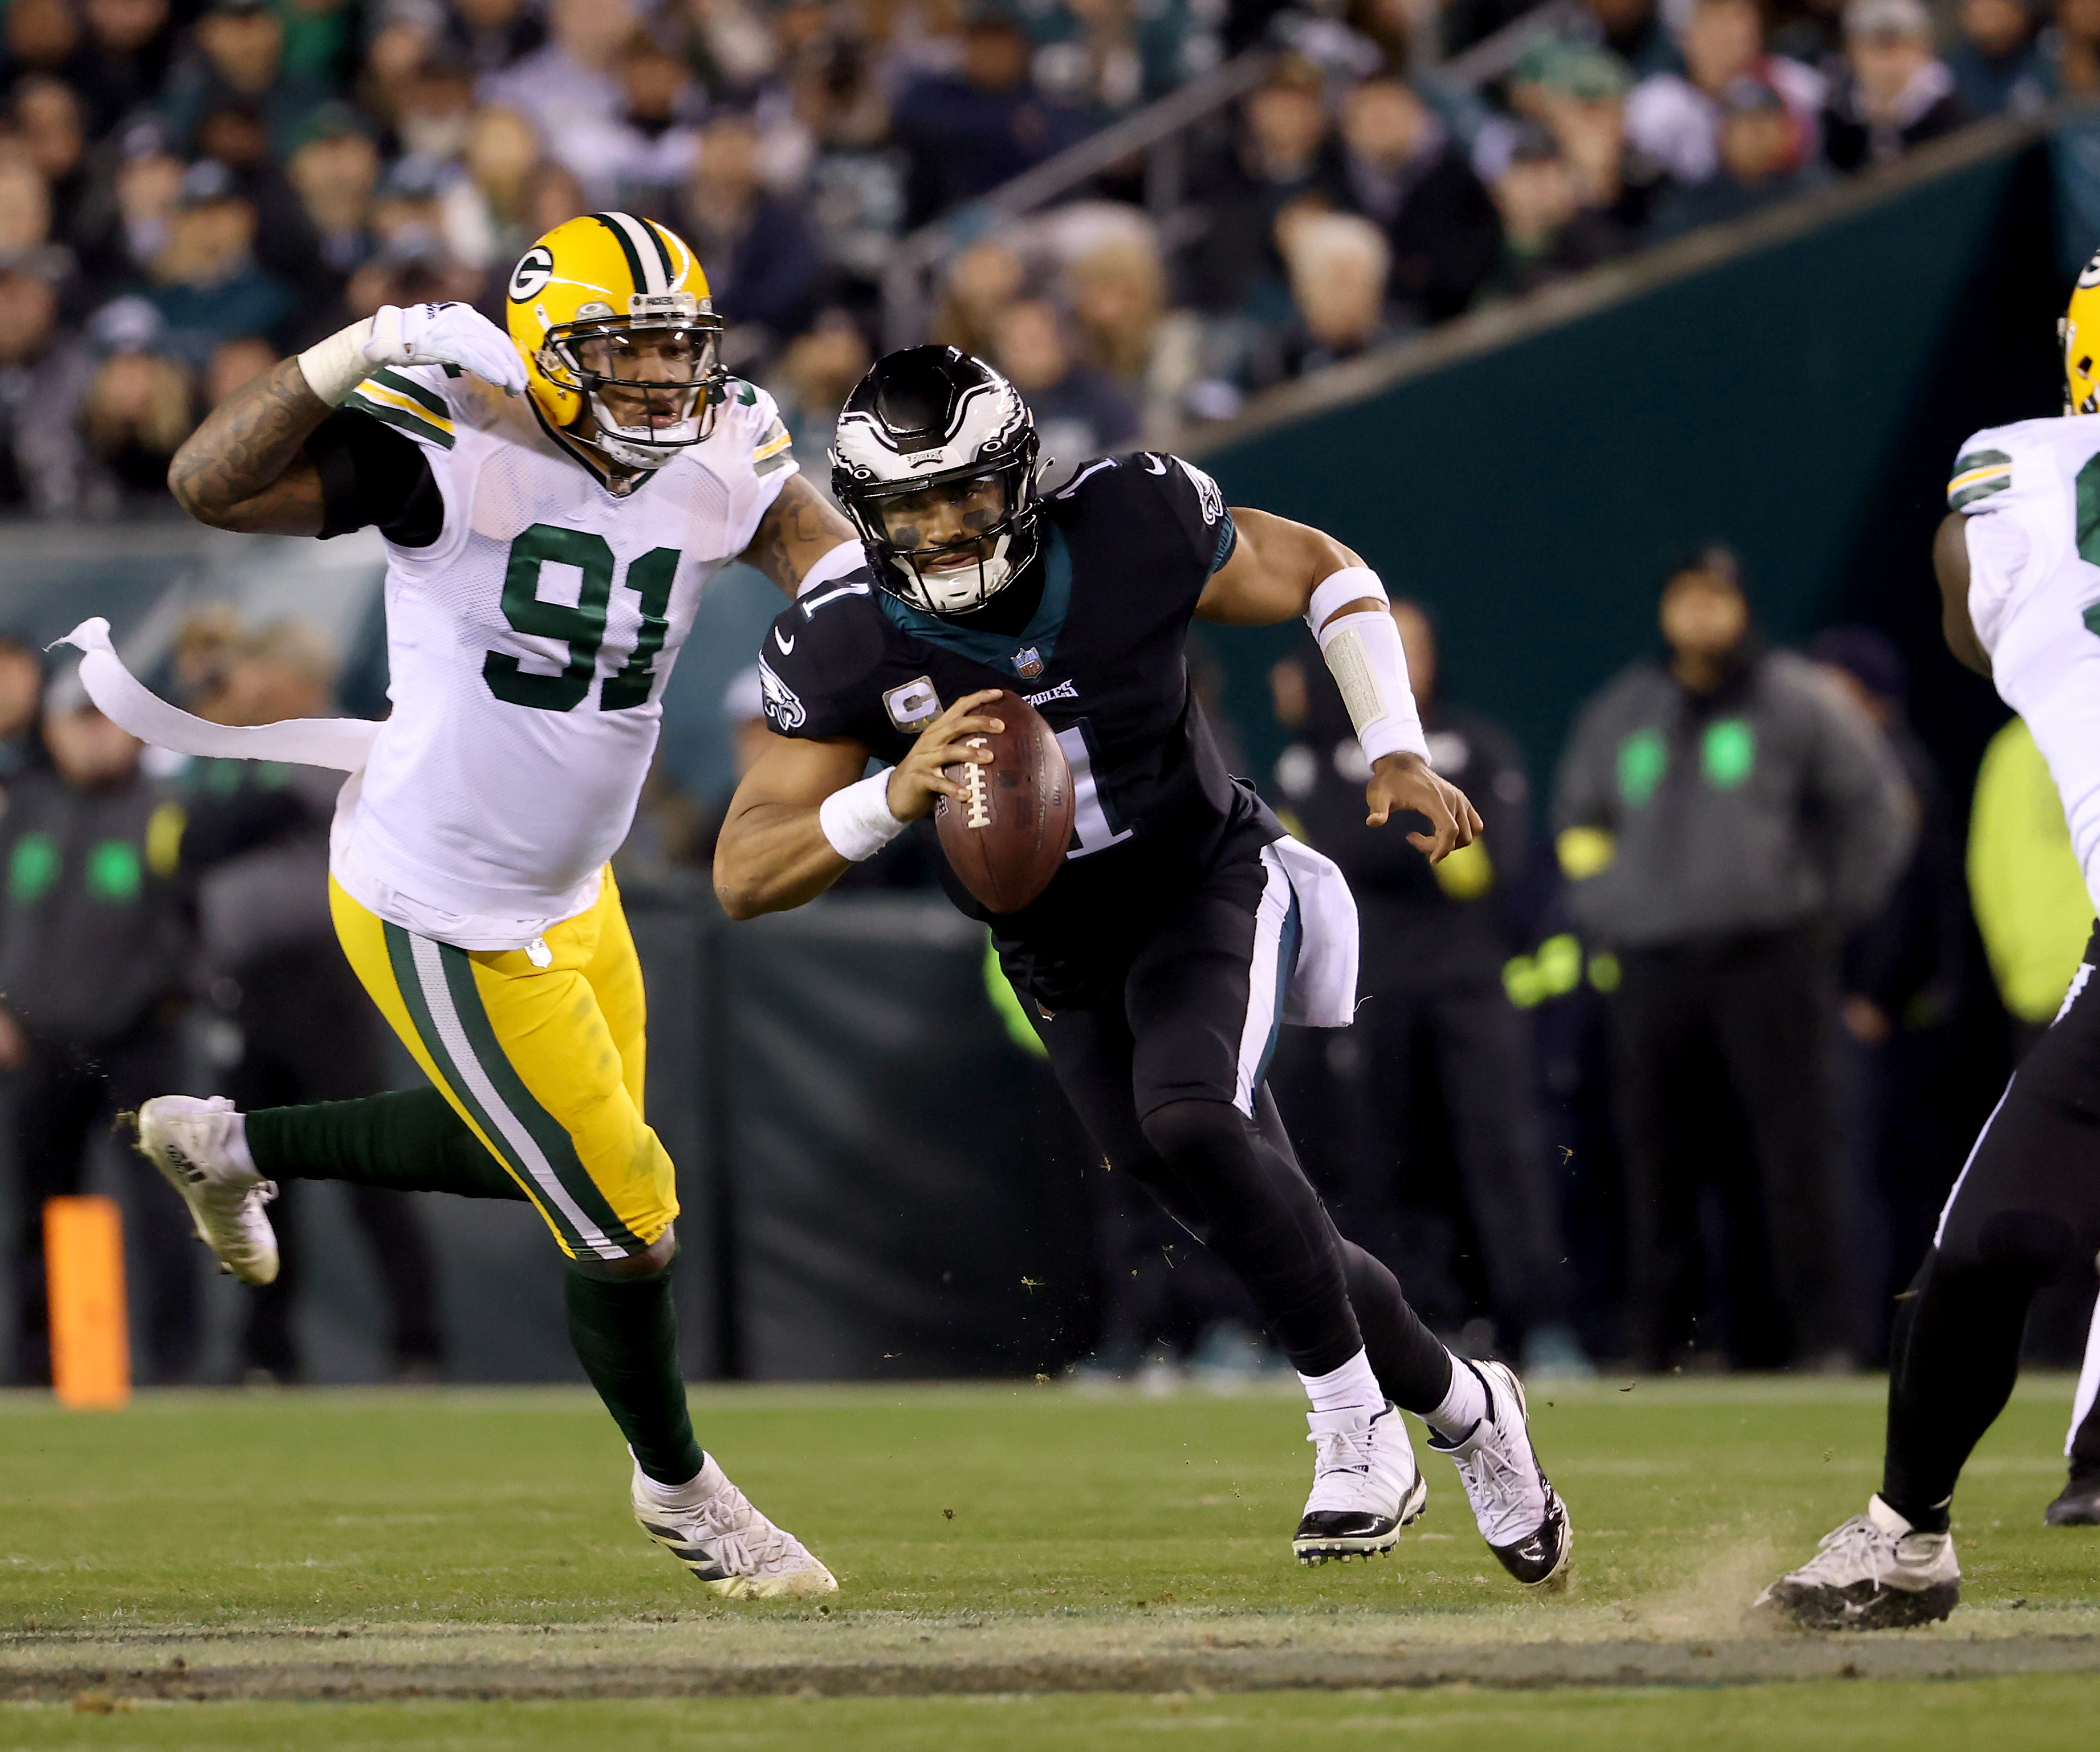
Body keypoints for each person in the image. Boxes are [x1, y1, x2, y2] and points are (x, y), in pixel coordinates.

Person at [713, 344, 1573, 1585]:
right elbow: (747, 869)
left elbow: (1328, 572)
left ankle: (1354, 1430)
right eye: (914, 507)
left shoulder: (1128, 520)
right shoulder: (846, 638)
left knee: (1194, 1115)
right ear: (870, 519)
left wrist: (1391, 744)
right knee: (1258, 1218)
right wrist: (889, 797)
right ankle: (1470, 1409)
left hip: (1208, 882)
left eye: (967, 493)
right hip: (1056, 947)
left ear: (1022, 475)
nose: (948, 530)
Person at [96, 211, 863, 1598]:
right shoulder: (448, 436)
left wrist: (923, 643)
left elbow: (830, 571)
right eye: (624, 357)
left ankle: (232, 1144)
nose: (658, 388)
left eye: (676, 355)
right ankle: (684, 1494)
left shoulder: (722, 443)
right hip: (432, 893)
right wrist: (364, 345)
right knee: (626, 1217)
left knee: (561, 1157)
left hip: (575, 887)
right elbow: (207, 481)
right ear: (548, 355)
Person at [1759, 253, 2100, 1625]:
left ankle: (1907, 1529)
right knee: (1990, 1231)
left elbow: (1967, 623)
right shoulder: (2023, 473)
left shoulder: (2008, 480)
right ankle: (1906, 1538)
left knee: (1991, 1238)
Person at [1553, 550, 1911, 1371]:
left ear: (1743, 607)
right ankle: (1668, 1345)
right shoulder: (1624, 710)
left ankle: (1820, 1339)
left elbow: (1876, 810)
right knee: (1658, 1158)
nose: (1702, 614)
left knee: (1794, 1153)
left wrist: (1824, 911)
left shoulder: (1796, 699)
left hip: (1770, 954)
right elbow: (1577, 822)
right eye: (1687, 597)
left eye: (1717, 598)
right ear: (1665, 609)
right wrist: (1612, 904)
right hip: (1653, 964)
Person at [1269, 601, 1585, 1374]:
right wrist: (1419, 849)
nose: (1396, 661)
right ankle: (1421, 1325)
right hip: (1370, 988)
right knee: (1382, 1161)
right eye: (1379, 648)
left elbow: (1500, 863)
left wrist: (1400, 848)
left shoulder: (1477, 742)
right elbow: (1326, 854)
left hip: (1471, 985)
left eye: (1410, 645)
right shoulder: (1311, 757)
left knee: (1502, 1154)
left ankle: (1539, 1324)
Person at [183, 620, 446, 1383]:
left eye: (257, 669)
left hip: (322, 978)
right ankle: (268, 1353)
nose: (240, 684)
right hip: (247, 984)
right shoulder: (237, 755)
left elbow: (237, 825)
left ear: (294, 678)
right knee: (256, 1176)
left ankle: (417, 1342)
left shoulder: (327, 743)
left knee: (368, 1165)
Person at [0, 684, 197, 1385]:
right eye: (78, 722)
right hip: (38, 1039)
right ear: (51, 730)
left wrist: (171, 994)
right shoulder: (24, 806)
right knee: (39, 1206)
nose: (94, 739)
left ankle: (179, 1368)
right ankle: (34, 1366)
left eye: (107, 723)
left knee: (165, 1207)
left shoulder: (167, 812)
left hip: (140, 1038)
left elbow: (196, 919)